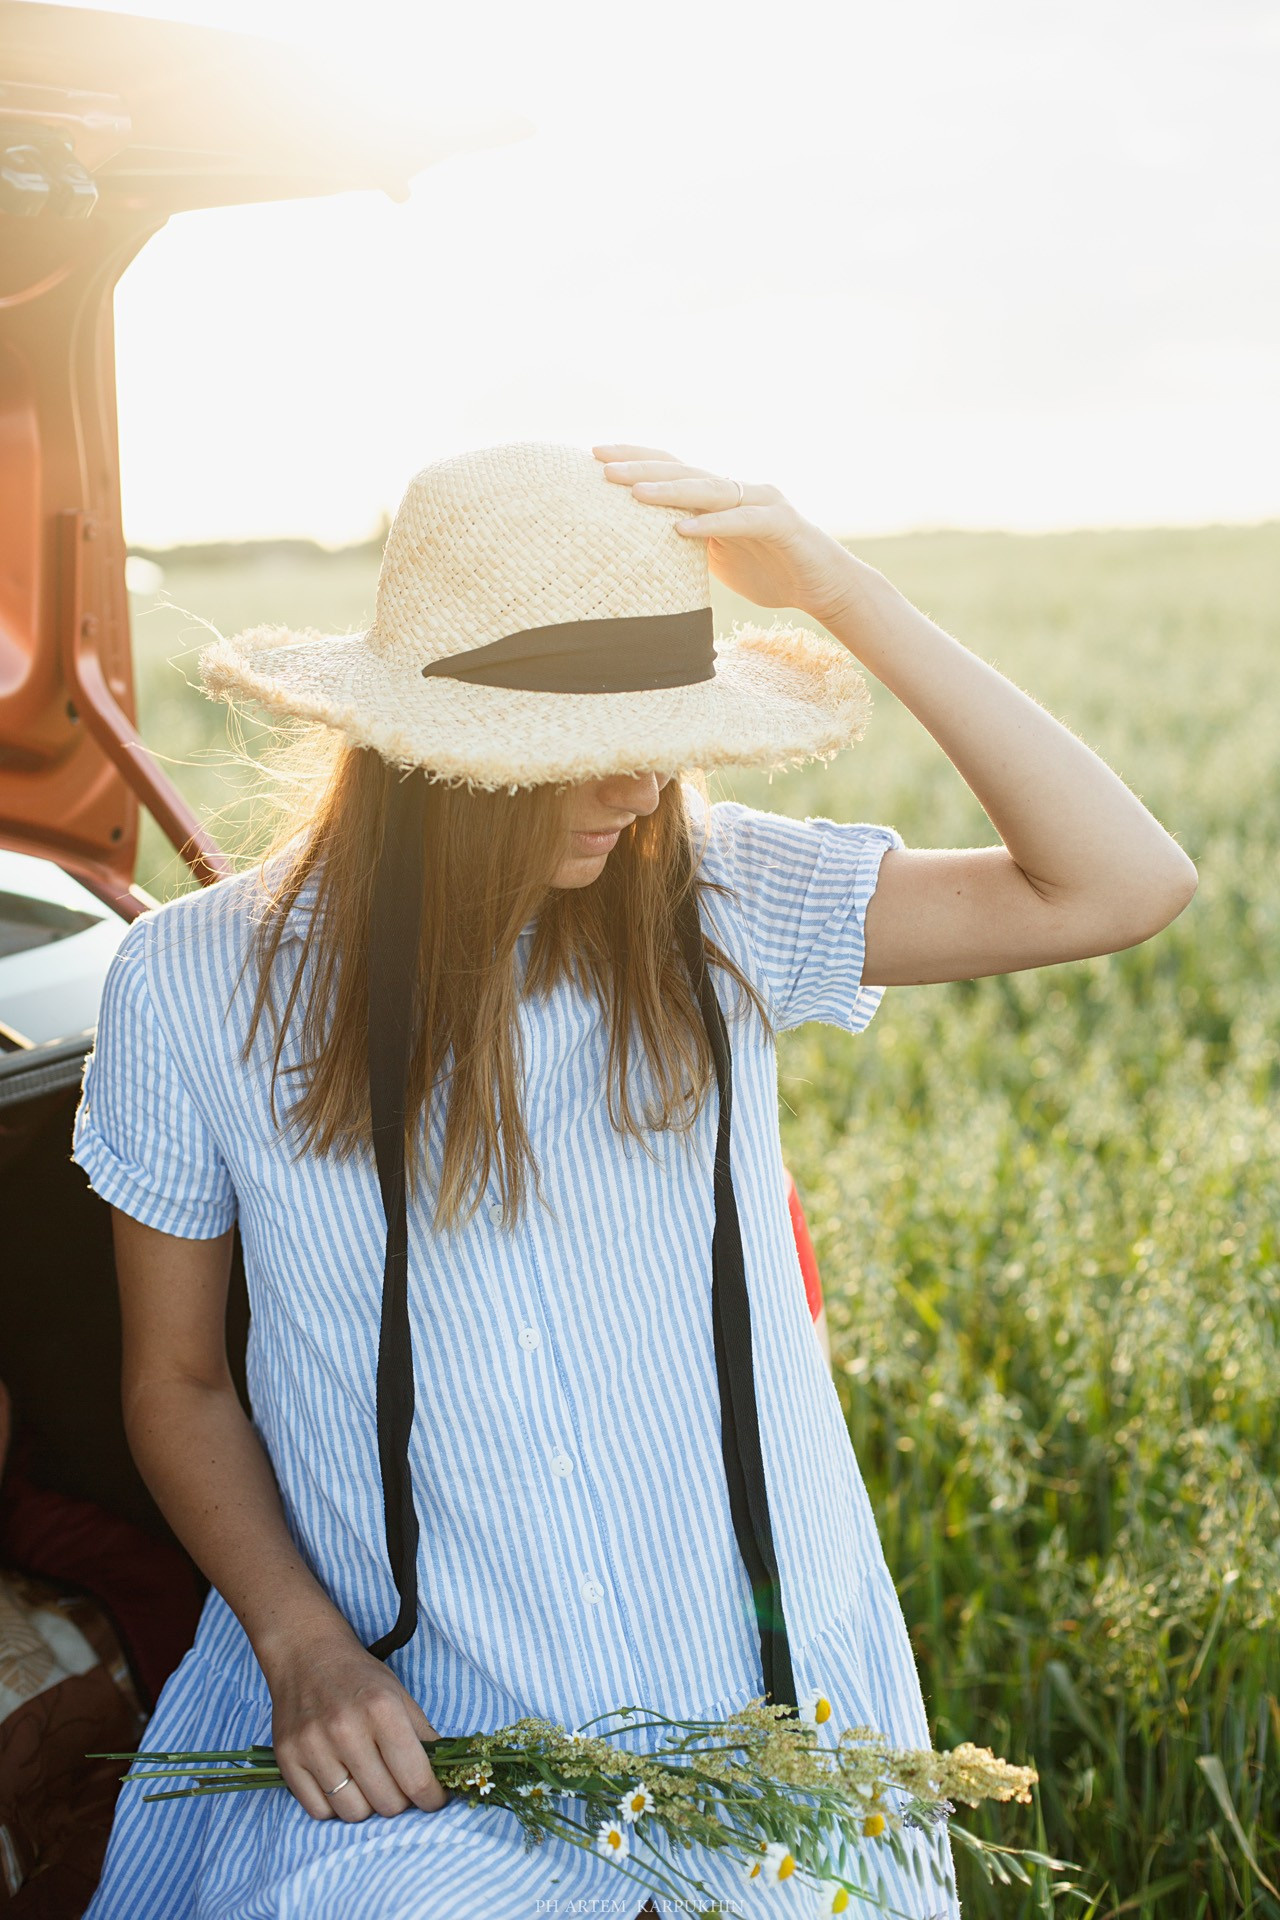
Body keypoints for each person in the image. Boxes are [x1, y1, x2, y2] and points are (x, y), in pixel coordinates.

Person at [70, 440, 1196, 1919]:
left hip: (758, 1731)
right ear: (436, 757)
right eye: (583, 741)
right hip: (418, 1732)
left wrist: (839, 592)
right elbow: (181, 1384)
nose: (641, 778)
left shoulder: (720, 899)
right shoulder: (195, 983)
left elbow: (1124, 881)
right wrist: (299, 1646)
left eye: (666, 729)